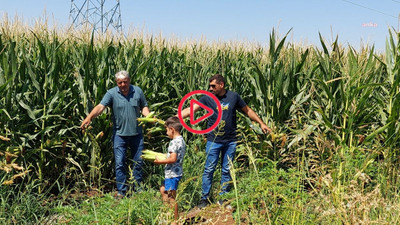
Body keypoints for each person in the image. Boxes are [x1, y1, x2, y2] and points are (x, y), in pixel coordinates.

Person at [180, 74, 271, 208]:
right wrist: (176, 116)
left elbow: (248, 110)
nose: (210, 88)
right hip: (213, 140)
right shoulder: (207, 98)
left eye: (213, 86)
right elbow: (191, 109)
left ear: (221, 85)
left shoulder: (234, 97)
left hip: (230, 141)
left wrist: (261, 123)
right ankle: (204, 199)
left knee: (227, 170)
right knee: (209, 169)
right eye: (210, 85)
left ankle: (224, 198)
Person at [80, 70, 150, 198]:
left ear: (129, 80)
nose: (123, 85)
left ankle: (138, 189)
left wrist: (149, 116)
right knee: (119, 163)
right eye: (120, 83)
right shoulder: (111, 93)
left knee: (139, 162)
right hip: (119, 135)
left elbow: (143, 107)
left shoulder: (137, 91)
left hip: (137, 134)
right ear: (116, 83)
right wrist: (89, 117)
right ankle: (121, 191)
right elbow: (101, 107)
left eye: (125, 82)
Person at [153, 116, 186, 221]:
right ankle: (167, 215)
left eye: (167, 130)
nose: (166, 132)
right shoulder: (181, 140)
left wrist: (160, 162)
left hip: (172, 174)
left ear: (172, 129)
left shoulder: (173, 142)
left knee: (172, 198)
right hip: (176, 173)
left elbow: (173, 159)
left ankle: (174, 220)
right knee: (163, 190)